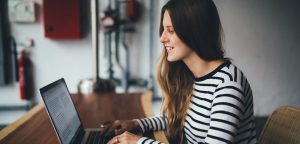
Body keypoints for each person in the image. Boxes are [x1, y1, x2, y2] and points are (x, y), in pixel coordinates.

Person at [99, 0, 257, 143]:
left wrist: (139, 142)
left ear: (194, 32)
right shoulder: (192, 75)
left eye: (171, 30)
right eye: (163, 29)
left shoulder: (227, 86)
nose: (162, 38)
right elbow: (177, 119)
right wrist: (136, 123)